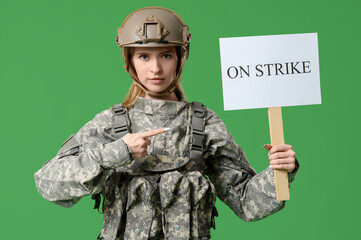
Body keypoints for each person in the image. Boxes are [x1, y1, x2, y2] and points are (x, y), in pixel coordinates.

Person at [34, 6, 298, 240]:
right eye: (144, 57)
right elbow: (47, 184)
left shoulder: (204, 124)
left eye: (166, 56)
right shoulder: (109, 124)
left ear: (180, 58)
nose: (156, 69)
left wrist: (281, 172)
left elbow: (246, 202)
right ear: (130, 62)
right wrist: (117, 152)